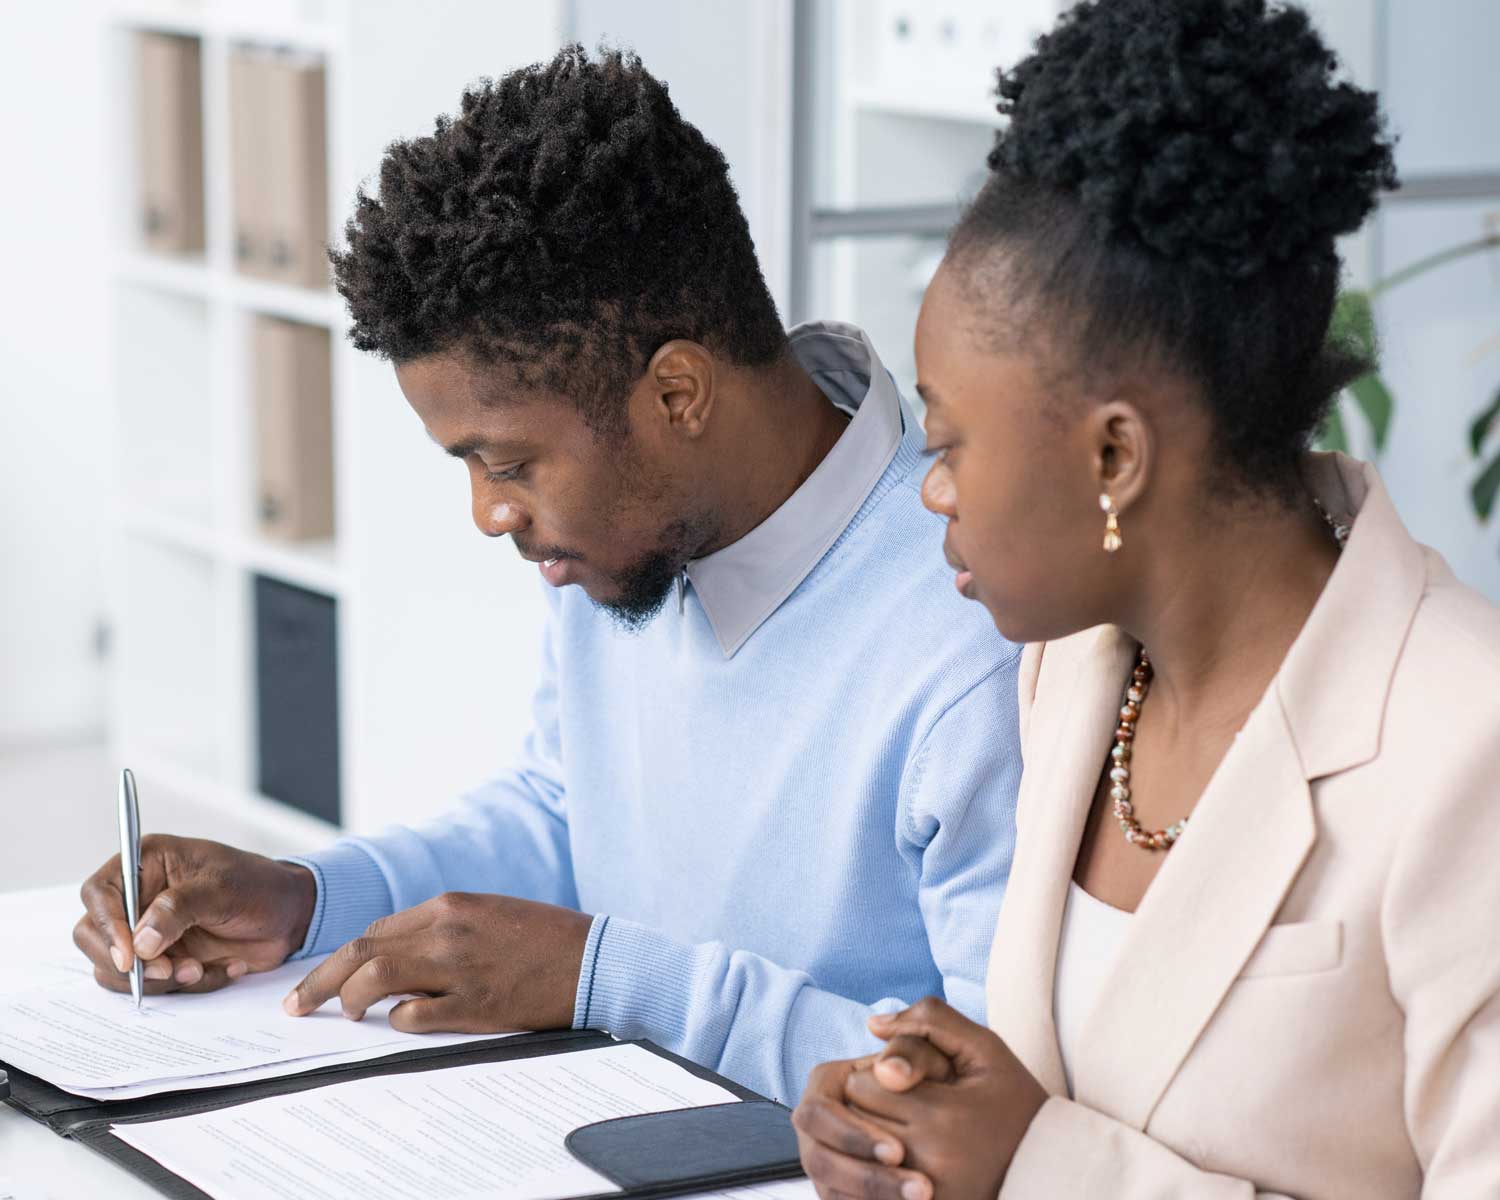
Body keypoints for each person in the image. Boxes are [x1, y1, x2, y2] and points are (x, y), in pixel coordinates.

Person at [71, 47, 1024, 1104]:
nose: (491, 514)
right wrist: (312, 899)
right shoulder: (634, 542)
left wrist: (606, 980)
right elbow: (567, 813)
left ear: (677, 393)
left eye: (511, 464)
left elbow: (991, 1089)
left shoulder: (985, 620)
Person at [792, 0, 1500, 1193]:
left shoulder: (1463, 743)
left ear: (1114, 456)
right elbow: (1083, 1088)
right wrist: (921, 1122)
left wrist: (1041, 1167)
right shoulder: (1071, 673)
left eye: (952, 442)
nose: (932, 492)